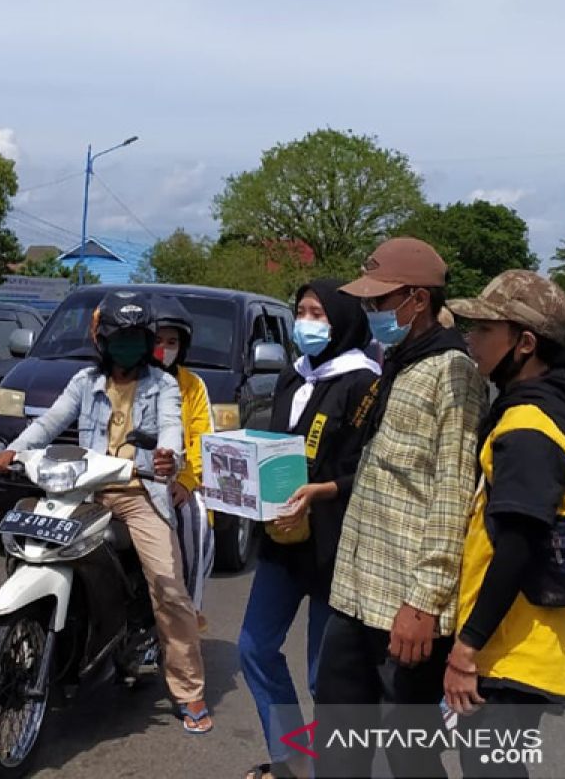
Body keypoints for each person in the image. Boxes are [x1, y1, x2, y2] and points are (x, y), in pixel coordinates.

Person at [0, 290, 213, 734]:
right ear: (101, 339)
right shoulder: (82, 383)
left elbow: (171, 431)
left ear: (146, 340)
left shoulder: (164, 386)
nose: (125, 344)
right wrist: (14, 450)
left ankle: (189, 691)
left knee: (168, 586)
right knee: (29, 549)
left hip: (139, 492)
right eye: (118, 336)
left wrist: (168, 459)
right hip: (83, 490)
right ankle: (35, 648)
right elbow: (49, 423)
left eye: (135, 336)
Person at [314, 237, 486, 778]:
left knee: (409, 753)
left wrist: (424, 603)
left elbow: (451, 496)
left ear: (417, 299)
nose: (369, 312)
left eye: (379, 302)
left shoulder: (452, 372)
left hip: (403, 605)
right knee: (340, 742)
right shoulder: (397, 362)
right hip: (354, 591)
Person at [445, 271, 565, 778]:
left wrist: (467, 649)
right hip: (512, 646)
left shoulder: (530, 426)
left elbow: (517, 547)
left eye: (485, 330)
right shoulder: (540, 410)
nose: (471, 339)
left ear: (524, 343)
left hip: (509, 652)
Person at [240, 279, 381, 779]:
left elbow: (369, 469)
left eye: (318, 313)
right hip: (282, 540)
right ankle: (296, 756)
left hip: (334, 545)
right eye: (302, 310)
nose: (307, 322)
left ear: (341, 322)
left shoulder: (364, 383)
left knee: (327, 675)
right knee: (254, 648)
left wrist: (321, 492)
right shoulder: (292, 376)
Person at [152, 295, 214, 629]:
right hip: (128, 479)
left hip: (178, 482)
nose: (164, 347)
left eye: (171, 342)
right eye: (157, 340)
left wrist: (186, 482)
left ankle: (188, 610)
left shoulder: (193, 386)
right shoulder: (126, 379)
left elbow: (203, 442)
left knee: (197, 521)